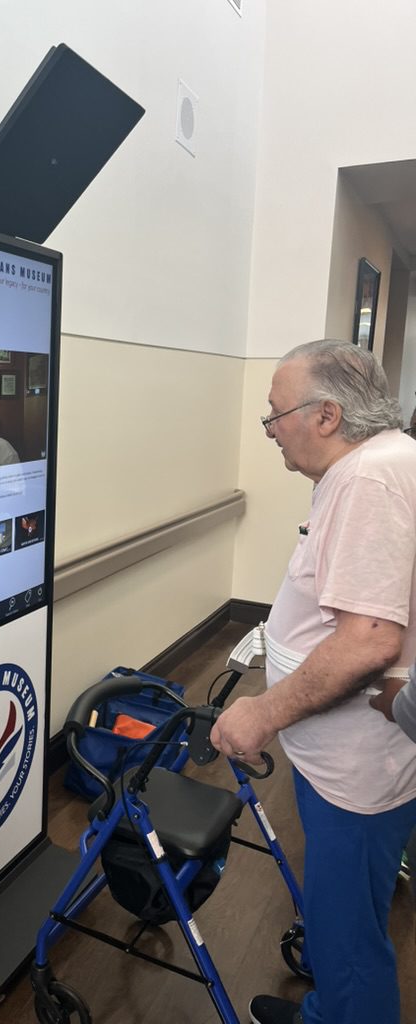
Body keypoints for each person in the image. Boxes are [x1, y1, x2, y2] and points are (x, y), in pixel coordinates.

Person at [210, 340, 416, 1024]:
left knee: (349, 940)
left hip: (355, 772)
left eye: (275, 414)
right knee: (338, 923)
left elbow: (369, 641)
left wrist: (262, 713)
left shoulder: (368, 481)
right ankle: (325, 1010)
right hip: (352, 761)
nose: (270, 430)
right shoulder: (381, 462)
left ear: (327, 415)